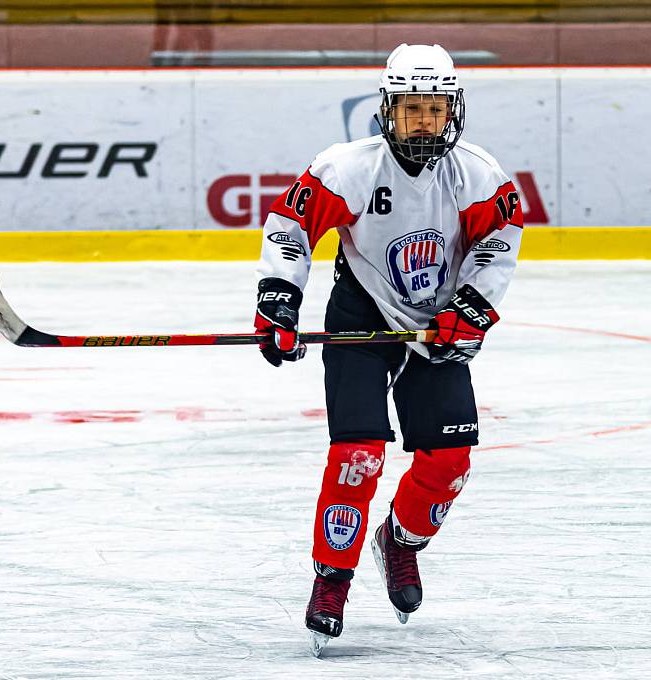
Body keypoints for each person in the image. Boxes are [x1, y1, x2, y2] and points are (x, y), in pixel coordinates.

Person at [253, 43, 523, 655]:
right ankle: (332, 579)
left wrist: (472, 308)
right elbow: (290, 228)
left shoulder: (479, 174)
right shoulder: (347, 168)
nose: (422, 122)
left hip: (435, 331)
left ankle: (399, 541)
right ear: (386, 110)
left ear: (453, 109)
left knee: (448, 461)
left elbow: (499, 240)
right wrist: (279, 300)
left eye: (434, 108)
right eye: (409, 109)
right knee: (358, 454)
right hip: (361, 321)